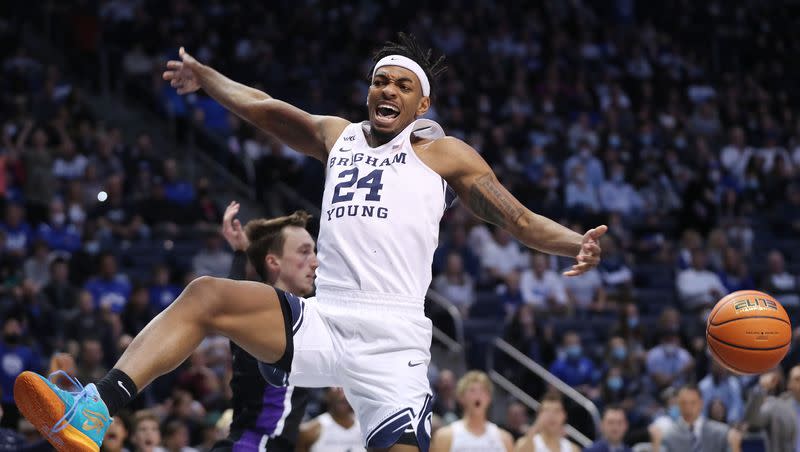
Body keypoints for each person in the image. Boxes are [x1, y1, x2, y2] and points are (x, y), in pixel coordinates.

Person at [15, 33, 606, 452]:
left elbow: (519, 220)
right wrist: (209, 81)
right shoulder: (338, 136)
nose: (389, 91)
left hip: (394, 342)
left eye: (403, 85)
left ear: (423, 104)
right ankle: (96, 409)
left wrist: (574, 242)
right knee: (204, 296)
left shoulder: (443, 154)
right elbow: (268, 111)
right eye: (381, 81)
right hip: (324, 318)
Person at [210, 201, 315, 451]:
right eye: (304, 252)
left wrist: (243, 252)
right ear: (273, 262)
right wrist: (240, 255)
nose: (315, 262)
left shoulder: (307, 313)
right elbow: (230, 301)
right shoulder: (259, 315)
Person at [430, 371, 514, 452]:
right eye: (472, 390)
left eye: (482, 390)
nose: (478, 395)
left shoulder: (504, 439)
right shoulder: (445, 436)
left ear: (489, 398)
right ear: (461, 397)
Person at [657, 385, 741, 452]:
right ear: (678, 405)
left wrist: (735, 447)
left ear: (701, 403)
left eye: (692, 403)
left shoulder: (722, 432)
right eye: (683, 403)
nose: (688, 408)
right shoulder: (669, 435)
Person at [743, 367, 798, 452]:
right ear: (789, 384)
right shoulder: (777, 406)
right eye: (798, 379)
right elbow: (752, 419)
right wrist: (761, 388)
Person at [296, 387, 364, 452]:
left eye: (345, 389)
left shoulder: (367, 429)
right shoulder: (309, 431)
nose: (342, 395)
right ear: (326, 396)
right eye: (337, 389)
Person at [514, 393, 579, 452]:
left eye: (556, 411)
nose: (551, 416)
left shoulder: (573, 449)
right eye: (546, 411)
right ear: (538, 415)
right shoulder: (524, 443)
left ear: (564, 415)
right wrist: (534, 429)